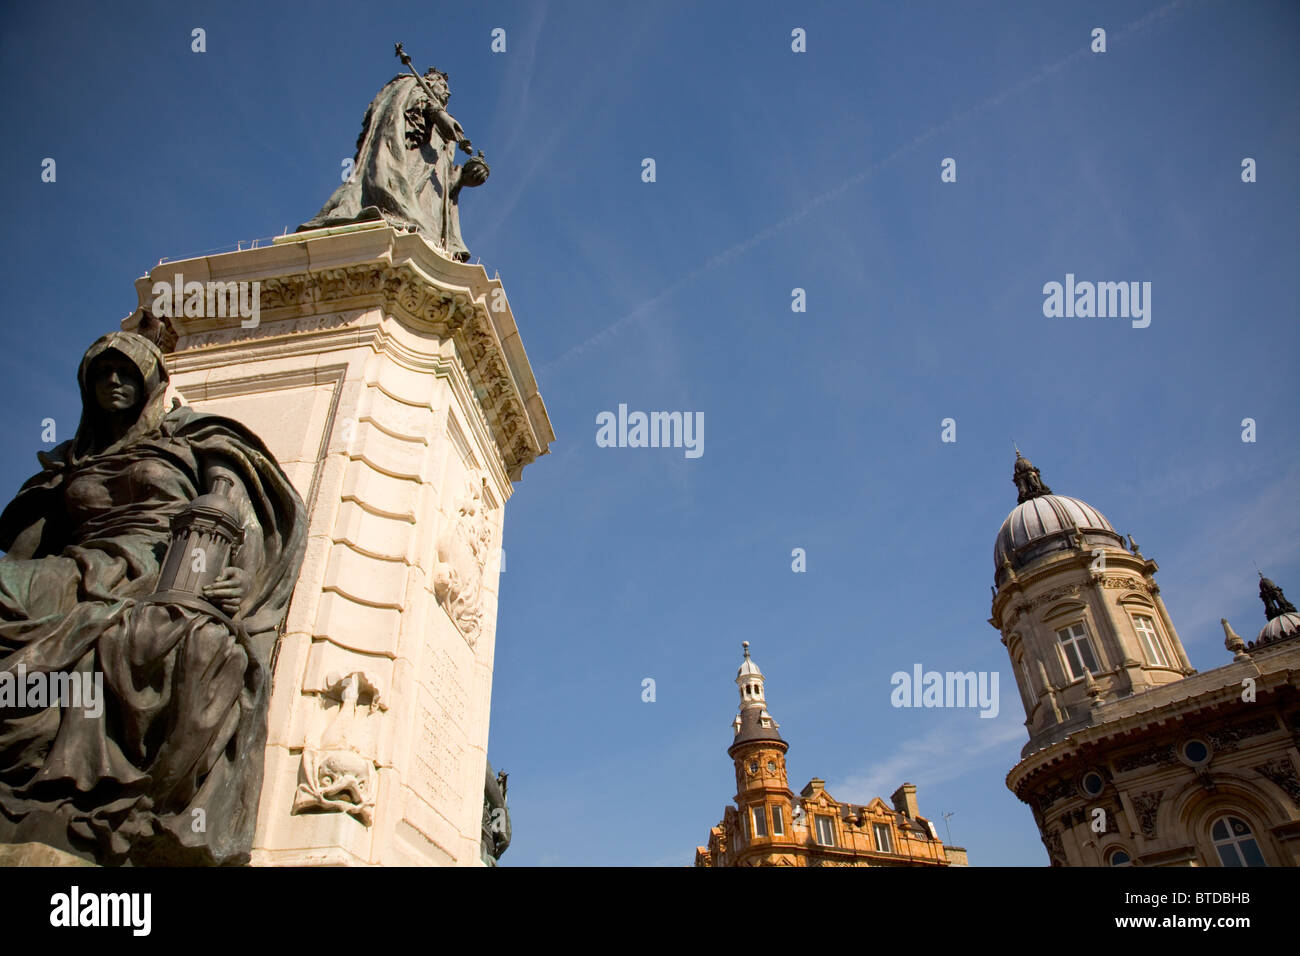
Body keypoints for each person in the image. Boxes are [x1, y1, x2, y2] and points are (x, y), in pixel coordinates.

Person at [0, 332, 306, 865]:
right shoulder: (70, 462)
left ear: (154, 381)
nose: (114, 382)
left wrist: (240, 577)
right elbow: (25, 549)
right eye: (102, 373)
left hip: (164, 567)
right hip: (77, 568)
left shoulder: (197, 438)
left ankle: (117, 805)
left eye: (126, 372)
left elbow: (237, 517)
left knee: (180, 638)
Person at [299, 68, 490, 261]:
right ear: (430, 81)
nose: (448, 93)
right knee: (396, 196)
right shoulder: (411, 85)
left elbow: (441, 187)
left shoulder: (446, 137)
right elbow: (400, 112)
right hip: (400, 165)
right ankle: (394, 212)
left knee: (419, 219)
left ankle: (411, 221)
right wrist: (435, 112)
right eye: (443, 86)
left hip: (422, 205)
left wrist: (464, 177)